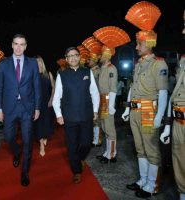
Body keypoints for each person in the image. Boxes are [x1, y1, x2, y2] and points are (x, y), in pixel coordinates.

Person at [123, 2, 168, 198]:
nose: (136, 46)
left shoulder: (159, 64)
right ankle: (143, 180)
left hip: (150, 111)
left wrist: (160, 117)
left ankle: (152, 185)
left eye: (139, 43)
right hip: (134, 111)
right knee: (139, 148)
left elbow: (164, 92)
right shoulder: (139, 64)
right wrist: (126, 108)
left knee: (151, 150)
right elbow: (133, 87)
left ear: (148, 44)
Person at [0, 34, 41, 186]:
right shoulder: (3, 64)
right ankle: (16, 152)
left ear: (26, 46)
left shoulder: (33, 63)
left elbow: (37, 87)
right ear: (12, 45)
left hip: (27, 108)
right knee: (9, 137)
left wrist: (37, 107)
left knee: (28, 140)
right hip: (9, 108)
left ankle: (25, 172)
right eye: (16, 44)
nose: (19, 47)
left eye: (22, 44)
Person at [53, 47, 99, 184]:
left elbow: (95, 93)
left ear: (79, 57)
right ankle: (77, 171)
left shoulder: (87, 72)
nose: (73, 58)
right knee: (72, 146)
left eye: (75, 55)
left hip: (86, 115)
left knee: (86, 142)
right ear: (66, 59)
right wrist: (58, 115)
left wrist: (95, 110)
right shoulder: (62, 75)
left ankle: (79, 158)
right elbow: (56, 98)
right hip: (69, 117)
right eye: (70, 56)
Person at [93, 26, 130, 164]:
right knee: (104, 127)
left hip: (108, 99)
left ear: (107, 55)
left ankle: (112, 154)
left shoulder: (111, 69)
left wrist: (112, 105)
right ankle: (107, 152)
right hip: (102, 99)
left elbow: (113, 88)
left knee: (109, 128)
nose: (99, 56)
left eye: (101, 54)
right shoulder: (102, 68)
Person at [160, 9, 185, 200]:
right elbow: (174, 94)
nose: (183, 33)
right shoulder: (182, 60)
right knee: (179, 162)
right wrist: (168, 125)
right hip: (178, 121)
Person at [82, 36, 103, 147]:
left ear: (95, 60)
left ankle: (98, 140)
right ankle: (93, 138)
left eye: (89, 59)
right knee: (92, 120)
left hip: (96, 97)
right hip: (90, 98)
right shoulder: (90, 70)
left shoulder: (98, 71)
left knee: (97, 120)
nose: (87, 61)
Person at [34, 56, 55, 156]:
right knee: (38, 124)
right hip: (37, 104)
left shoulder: (49, 74)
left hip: (47, 103)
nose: (38, 64)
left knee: (46, 123)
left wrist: (51, 99)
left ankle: (45, 137)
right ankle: (41, 145)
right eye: (36, 63)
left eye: (40, 62)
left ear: (43, 63)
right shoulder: (33, 75)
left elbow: (54, 88)